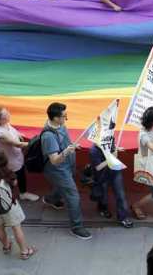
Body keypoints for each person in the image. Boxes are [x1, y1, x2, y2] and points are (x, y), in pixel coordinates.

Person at [39, 102, 91, 240]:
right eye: (64, 116)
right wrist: (67, 152)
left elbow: (65, 141)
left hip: (68, 166)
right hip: (59, 170)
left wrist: (71, 146)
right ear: (55, 118)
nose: (66, 118)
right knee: (73, 196)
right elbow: (54, 160)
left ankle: (51, 199)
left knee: (60, 187)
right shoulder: (48, 136)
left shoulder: (60, 125)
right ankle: (77, 227)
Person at [0, 148, 36, 260]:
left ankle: (6, 246)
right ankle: (24, 251)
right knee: (16, 227)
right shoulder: (8, 173)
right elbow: (15, 183)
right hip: (9, 205)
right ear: (4, 160)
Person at [0, 106, 39, 202]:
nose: (8, 115)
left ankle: (23, 193)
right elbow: (17, 144)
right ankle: (6, 199)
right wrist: (37, 142)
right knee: (10, 180)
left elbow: (17, 135)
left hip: (16, 157)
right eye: (5, 115)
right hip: (8, 161)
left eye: (7, 113)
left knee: (21, 175)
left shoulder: (6, 124)